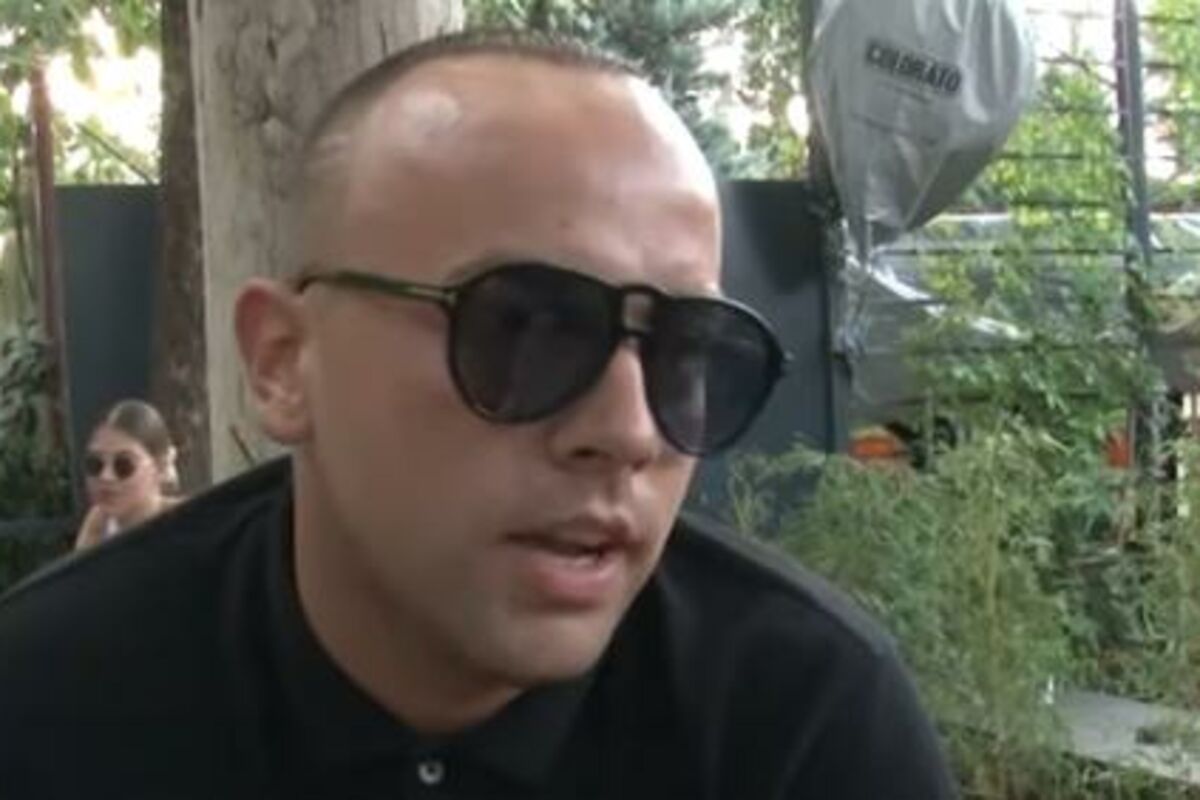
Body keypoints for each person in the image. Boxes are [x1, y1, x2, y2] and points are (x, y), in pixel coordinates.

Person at [0, 30, 959, 798]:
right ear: (284, 362)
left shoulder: (803, 726)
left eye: (688, 351)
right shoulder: (52, 707)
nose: (628, 431)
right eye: (525, 329)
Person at [73, 399, 182, 550]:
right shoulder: (98, 523)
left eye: (123, 465)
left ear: (160, 467)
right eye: (95, 464)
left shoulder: (189, 523)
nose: (106, 476)